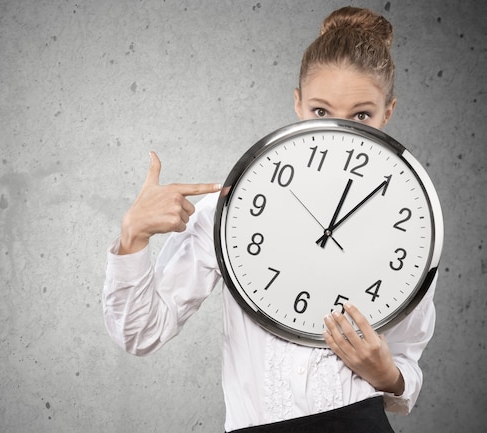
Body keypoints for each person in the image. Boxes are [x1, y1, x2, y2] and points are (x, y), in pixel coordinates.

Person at [103, 6, 436, 433]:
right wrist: (133, 235)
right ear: (297, 102)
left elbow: (406, 363)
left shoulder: (412, 225)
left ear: (386, 113)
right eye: (320, 111)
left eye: (361, 115)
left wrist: (387, 375)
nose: (338, 131)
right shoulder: (232, 211)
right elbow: (140, 333)